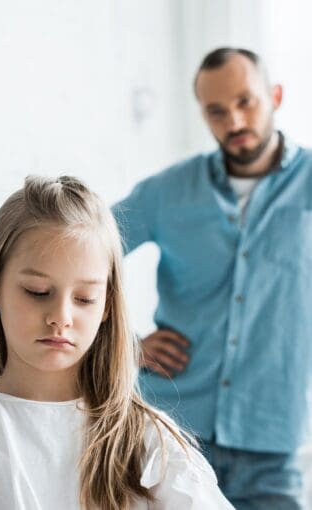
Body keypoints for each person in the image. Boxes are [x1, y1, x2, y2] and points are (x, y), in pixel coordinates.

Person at [0, 175, 233, 509]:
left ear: (107, 305)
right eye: (38, 292)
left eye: (84, 298)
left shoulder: (150, 443)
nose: (61, 317)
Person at [112, 47, 311, 509]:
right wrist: (125, 344)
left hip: (272, 442)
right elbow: (82, 253)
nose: (235, 122)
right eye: (217, 112)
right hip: (169, 433)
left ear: (275, 95)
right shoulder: (167, 192)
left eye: (247, 103)